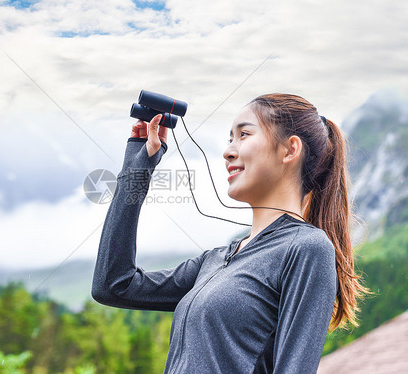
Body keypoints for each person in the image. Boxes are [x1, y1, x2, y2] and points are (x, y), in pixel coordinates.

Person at [92, 93, 367, 373]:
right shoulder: (215, 260)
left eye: (244, 135)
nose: (228, 151)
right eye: (229, 139)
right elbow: (114, 285)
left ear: (290, 149)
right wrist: (138, 165)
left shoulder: (307, 248)